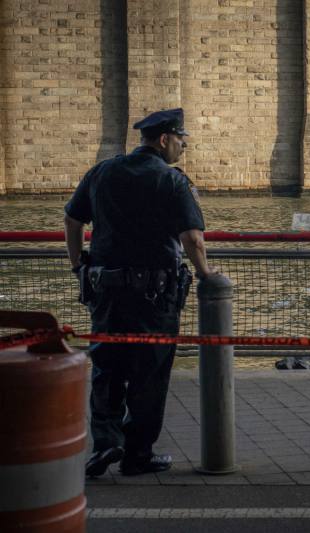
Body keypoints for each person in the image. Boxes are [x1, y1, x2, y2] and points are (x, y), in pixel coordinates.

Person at [64, 108, 215, 477]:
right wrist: (206, 274)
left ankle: (105, 443)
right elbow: (192, 239)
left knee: (106, 366)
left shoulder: (103, 171)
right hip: (154, 295)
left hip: (106, 290)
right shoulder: (171, 180)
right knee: (150, 372)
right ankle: (137, 454)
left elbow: (72, 219)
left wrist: (77, 266)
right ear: (164, 139)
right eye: (181, 140)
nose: (182, 148)